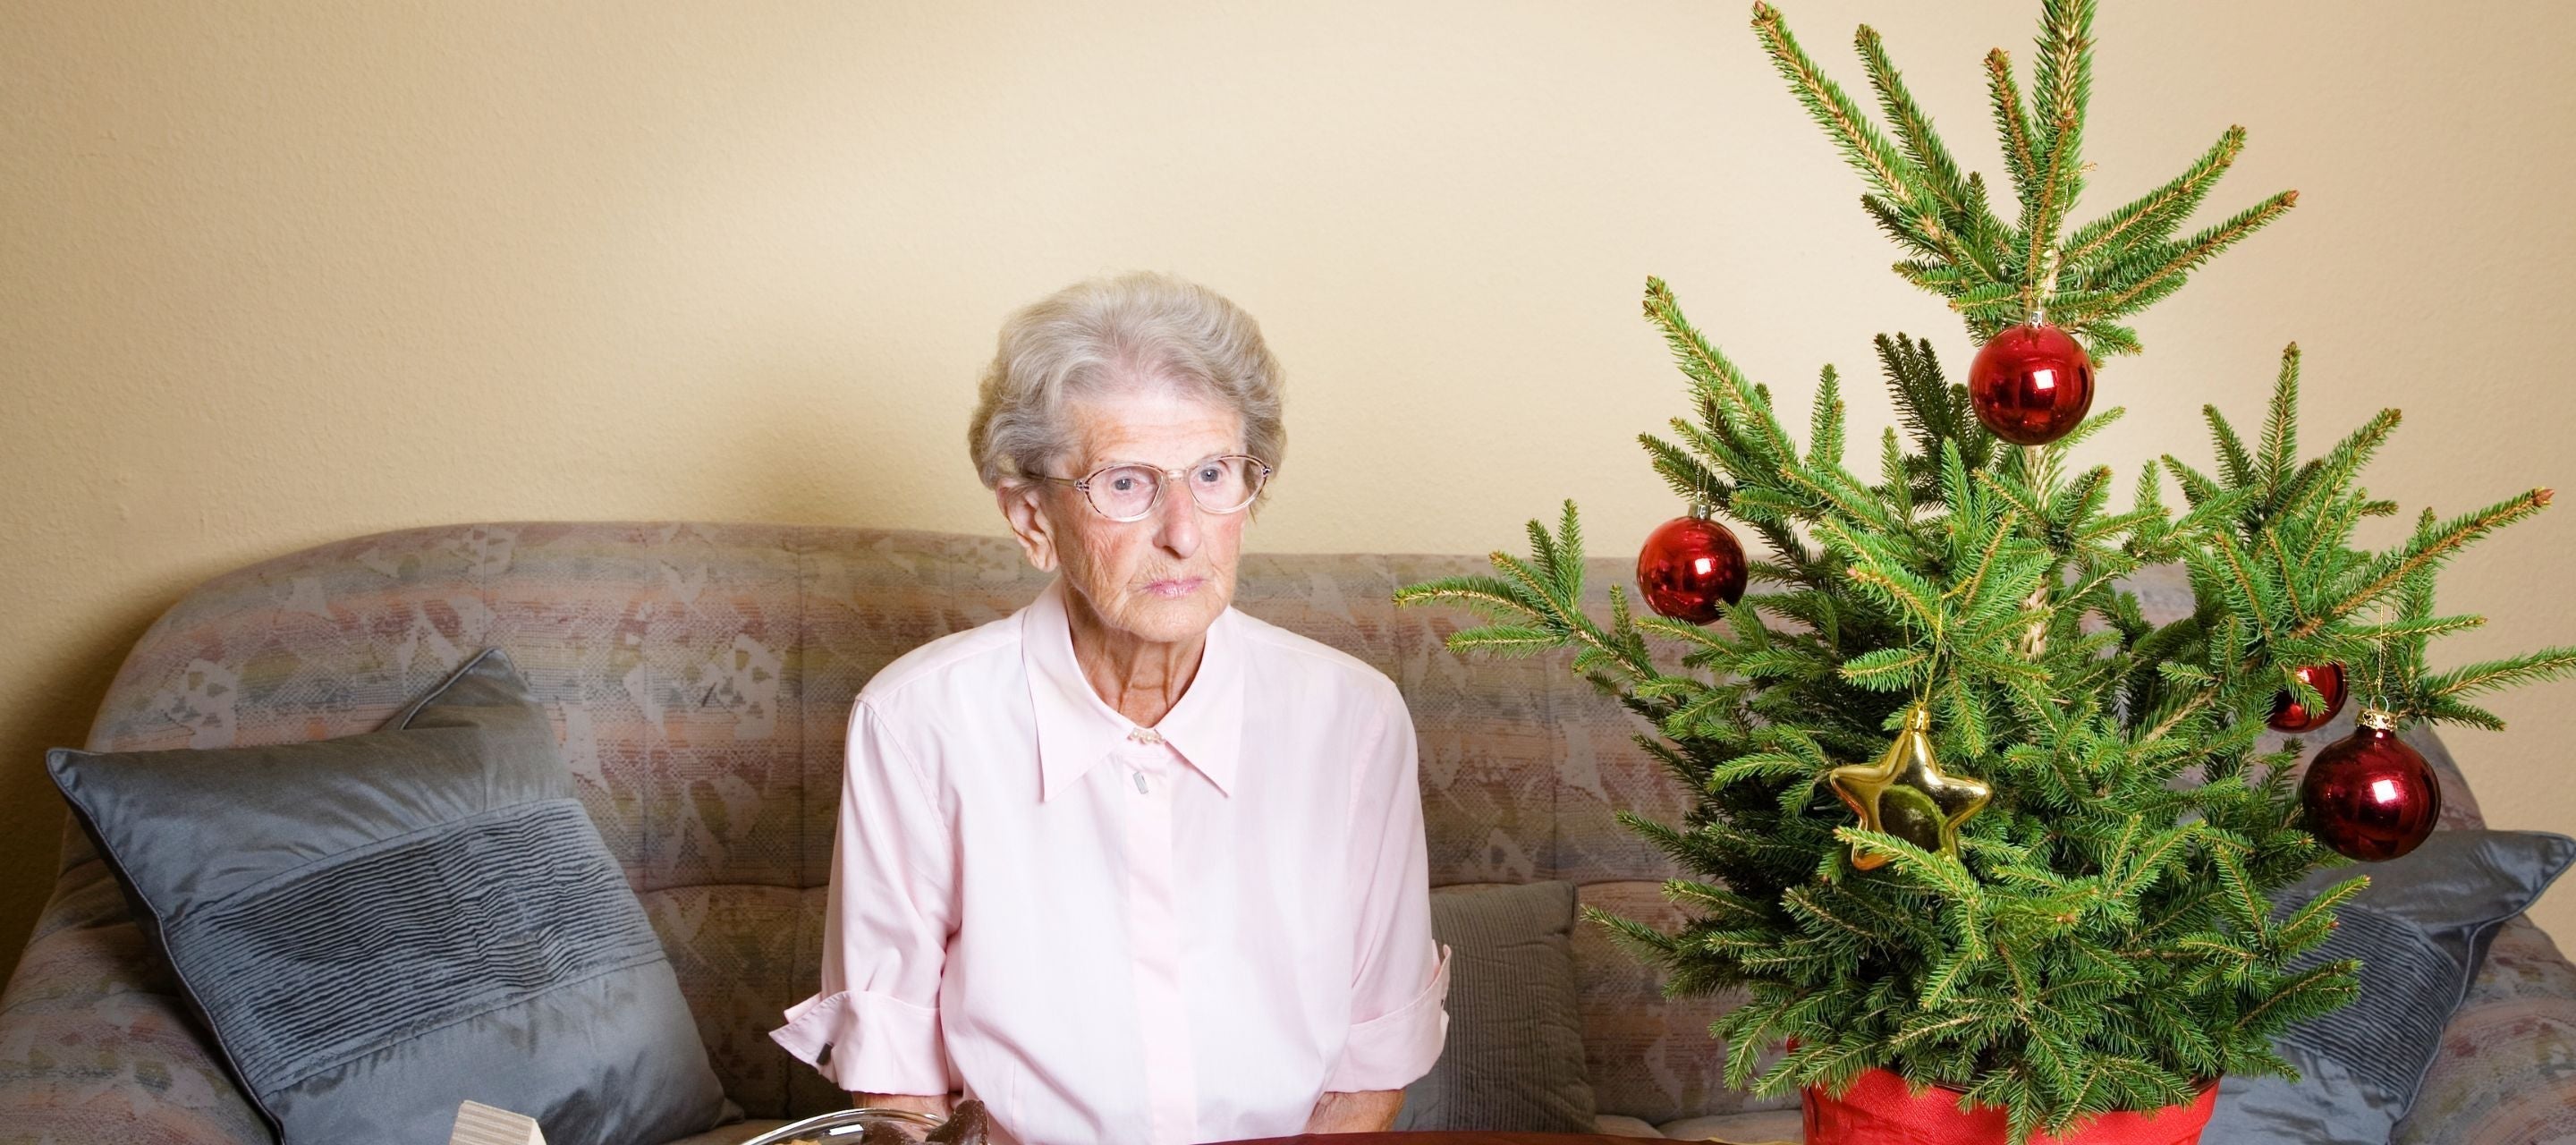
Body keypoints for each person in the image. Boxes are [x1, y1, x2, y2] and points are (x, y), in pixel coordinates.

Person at [770, 272, 1450, 1144]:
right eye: (1127, 483)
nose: (1183, 530)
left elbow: (1367, 1071)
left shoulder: (1355, 722)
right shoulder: (916, 724)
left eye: (1212, 473)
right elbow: (899, 1088)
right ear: (1032, 519)